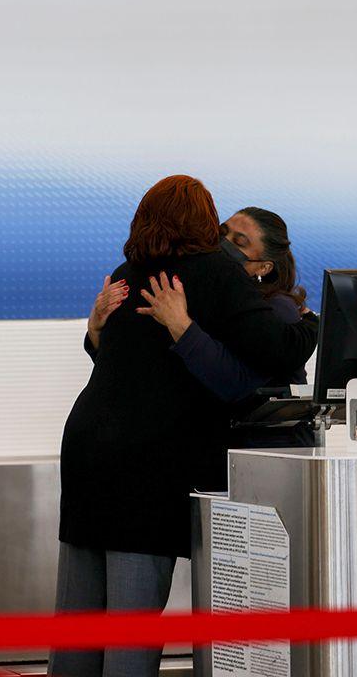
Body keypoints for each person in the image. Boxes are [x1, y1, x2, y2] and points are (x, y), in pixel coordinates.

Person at [51, 177, 317, 677]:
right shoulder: (216, 275)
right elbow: (280, 351)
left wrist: (92, 333)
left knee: (78, 624)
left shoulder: (126, 271)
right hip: (147, 463)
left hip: (86, 450)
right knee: (130, 634)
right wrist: (312, 321)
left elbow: (120, 358)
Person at [132, 207, 317, 460]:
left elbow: (236, 381)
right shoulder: (215, 294)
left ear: (263, 267)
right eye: (223, 233)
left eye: (239, 242)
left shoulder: (277, 308)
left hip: (270, 453)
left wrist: (182, 326)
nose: (224, 245)